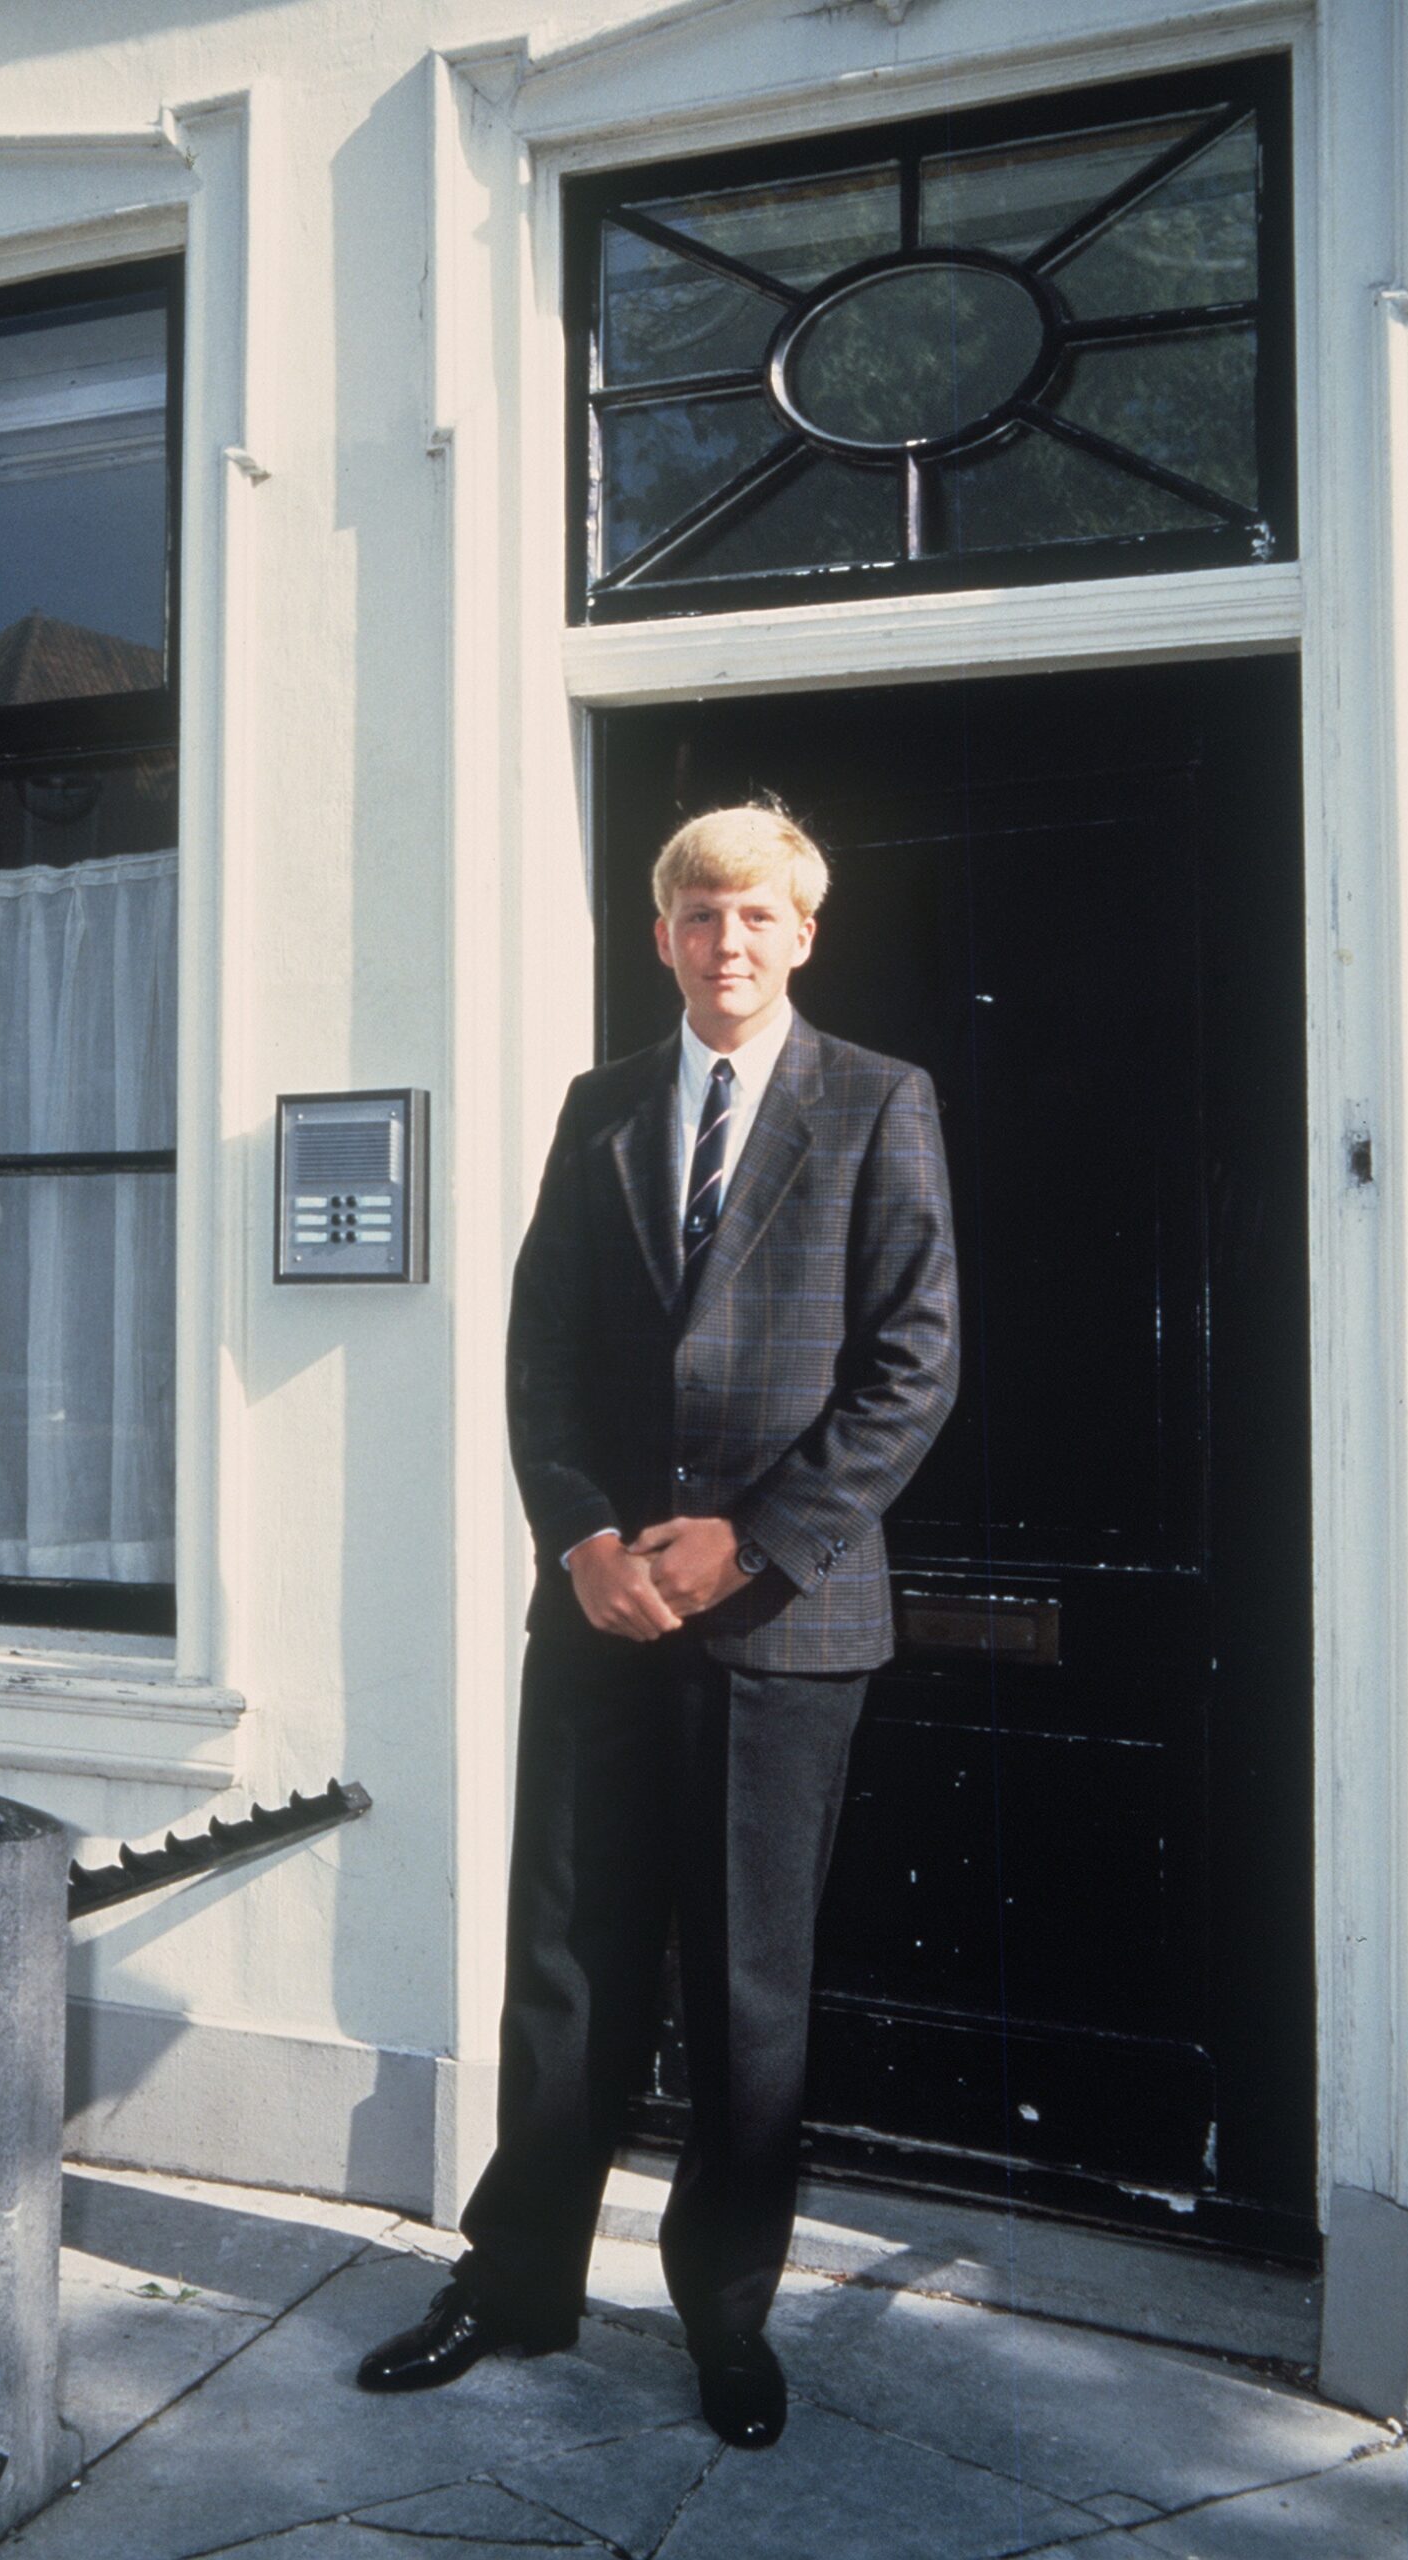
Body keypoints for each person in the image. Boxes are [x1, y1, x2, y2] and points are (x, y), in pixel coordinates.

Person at [358, 804, 959, 2446]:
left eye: (758, 914)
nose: (728, 942)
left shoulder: (877, 1105)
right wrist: (579, 1537)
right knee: (563, 1966)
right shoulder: (603, 1107)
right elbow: (540, 1352)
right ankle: (516, 2280)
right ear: (661, 935)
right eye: (698, 914)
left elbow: (913, 1368)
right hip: (607, 1618)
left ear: (804, 932)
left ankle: (725, 2321)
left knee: (750, 1988)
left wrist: (750, 1542)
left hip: (785, 1627)